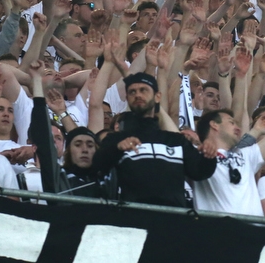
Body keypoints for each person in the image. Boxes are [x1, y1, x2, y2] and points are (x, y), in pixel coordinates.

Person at [92, 73, 217, 207]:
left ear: (157, 97)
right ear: (127, 98)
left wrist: (209, 155)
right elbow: (97, 166)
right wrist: (116, 149)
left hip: (172, 221)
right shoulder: (117, 139)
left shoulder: (176, 140)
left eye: (143, 90)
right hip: (133, 220)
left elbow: (199, 172)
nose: (138, 95)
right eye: (132, 92)